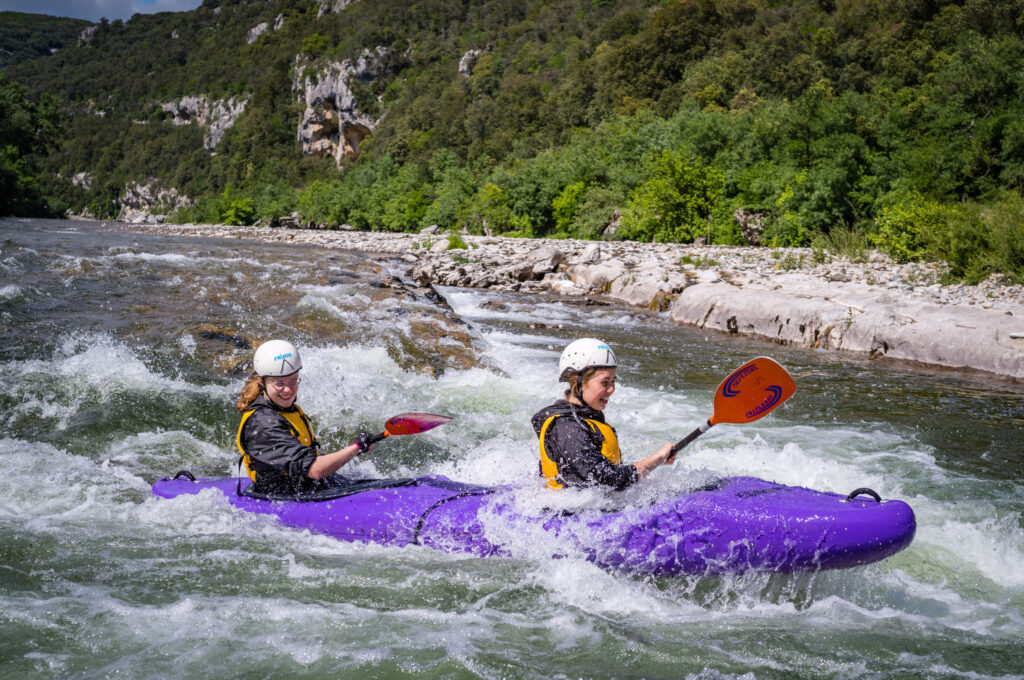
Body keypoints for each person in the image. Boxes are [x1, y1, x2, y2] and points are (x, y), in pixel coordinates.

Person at [531, 338, 674, 490]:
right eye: (605, 383)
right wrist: (656, 459)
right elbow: (607, 478)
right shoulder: (567, 428)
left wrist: (657, 461)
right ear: (577, 383)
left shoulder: (585, 420)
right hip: (569, 513)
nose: (612, 389)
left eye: (613, 381)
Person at [236, 339, 373, 495]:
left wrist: (355, 448)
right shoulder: (263, 424)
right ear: (262, 381)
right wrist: (355, 448)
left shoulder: (284, 408)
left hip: (304, 487)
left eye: (293, 380)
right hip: (283, 497)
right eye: (279, 383)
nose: (288, 390)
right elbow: (315, 470)